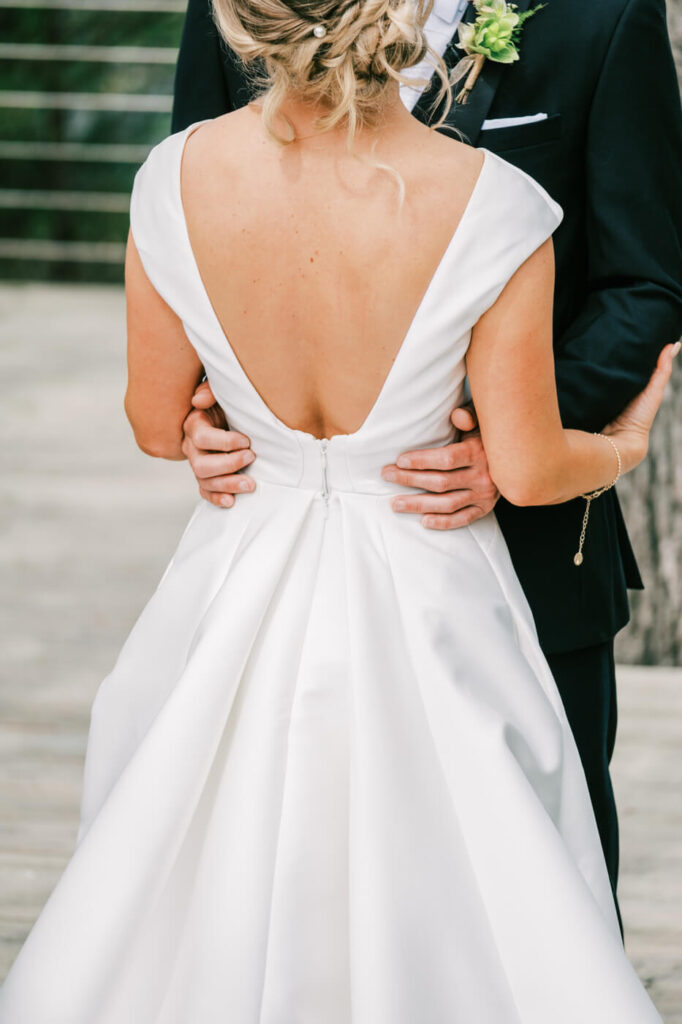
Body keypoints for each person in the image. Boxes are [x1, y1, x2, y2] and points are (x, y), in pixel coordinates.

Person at [0, 0, 677, 1018]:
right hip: (446, 594)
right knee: (505, 910)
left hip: (256, 578)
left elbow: (148, 413)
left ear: (248, 26)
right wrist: (619, 442)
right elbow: (544, 464)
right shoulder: (495, 205)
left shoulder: (169, 180)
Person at [172, 0, 682, 919]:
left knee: (543, 886)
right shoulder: (245, 6)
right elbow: (192, 235)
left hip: (527, 554)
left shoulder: (603, 18)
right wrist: (199, 411)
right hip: (278, 554)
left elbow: (645, 279)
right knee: (286, 877)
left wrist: (510, 439)